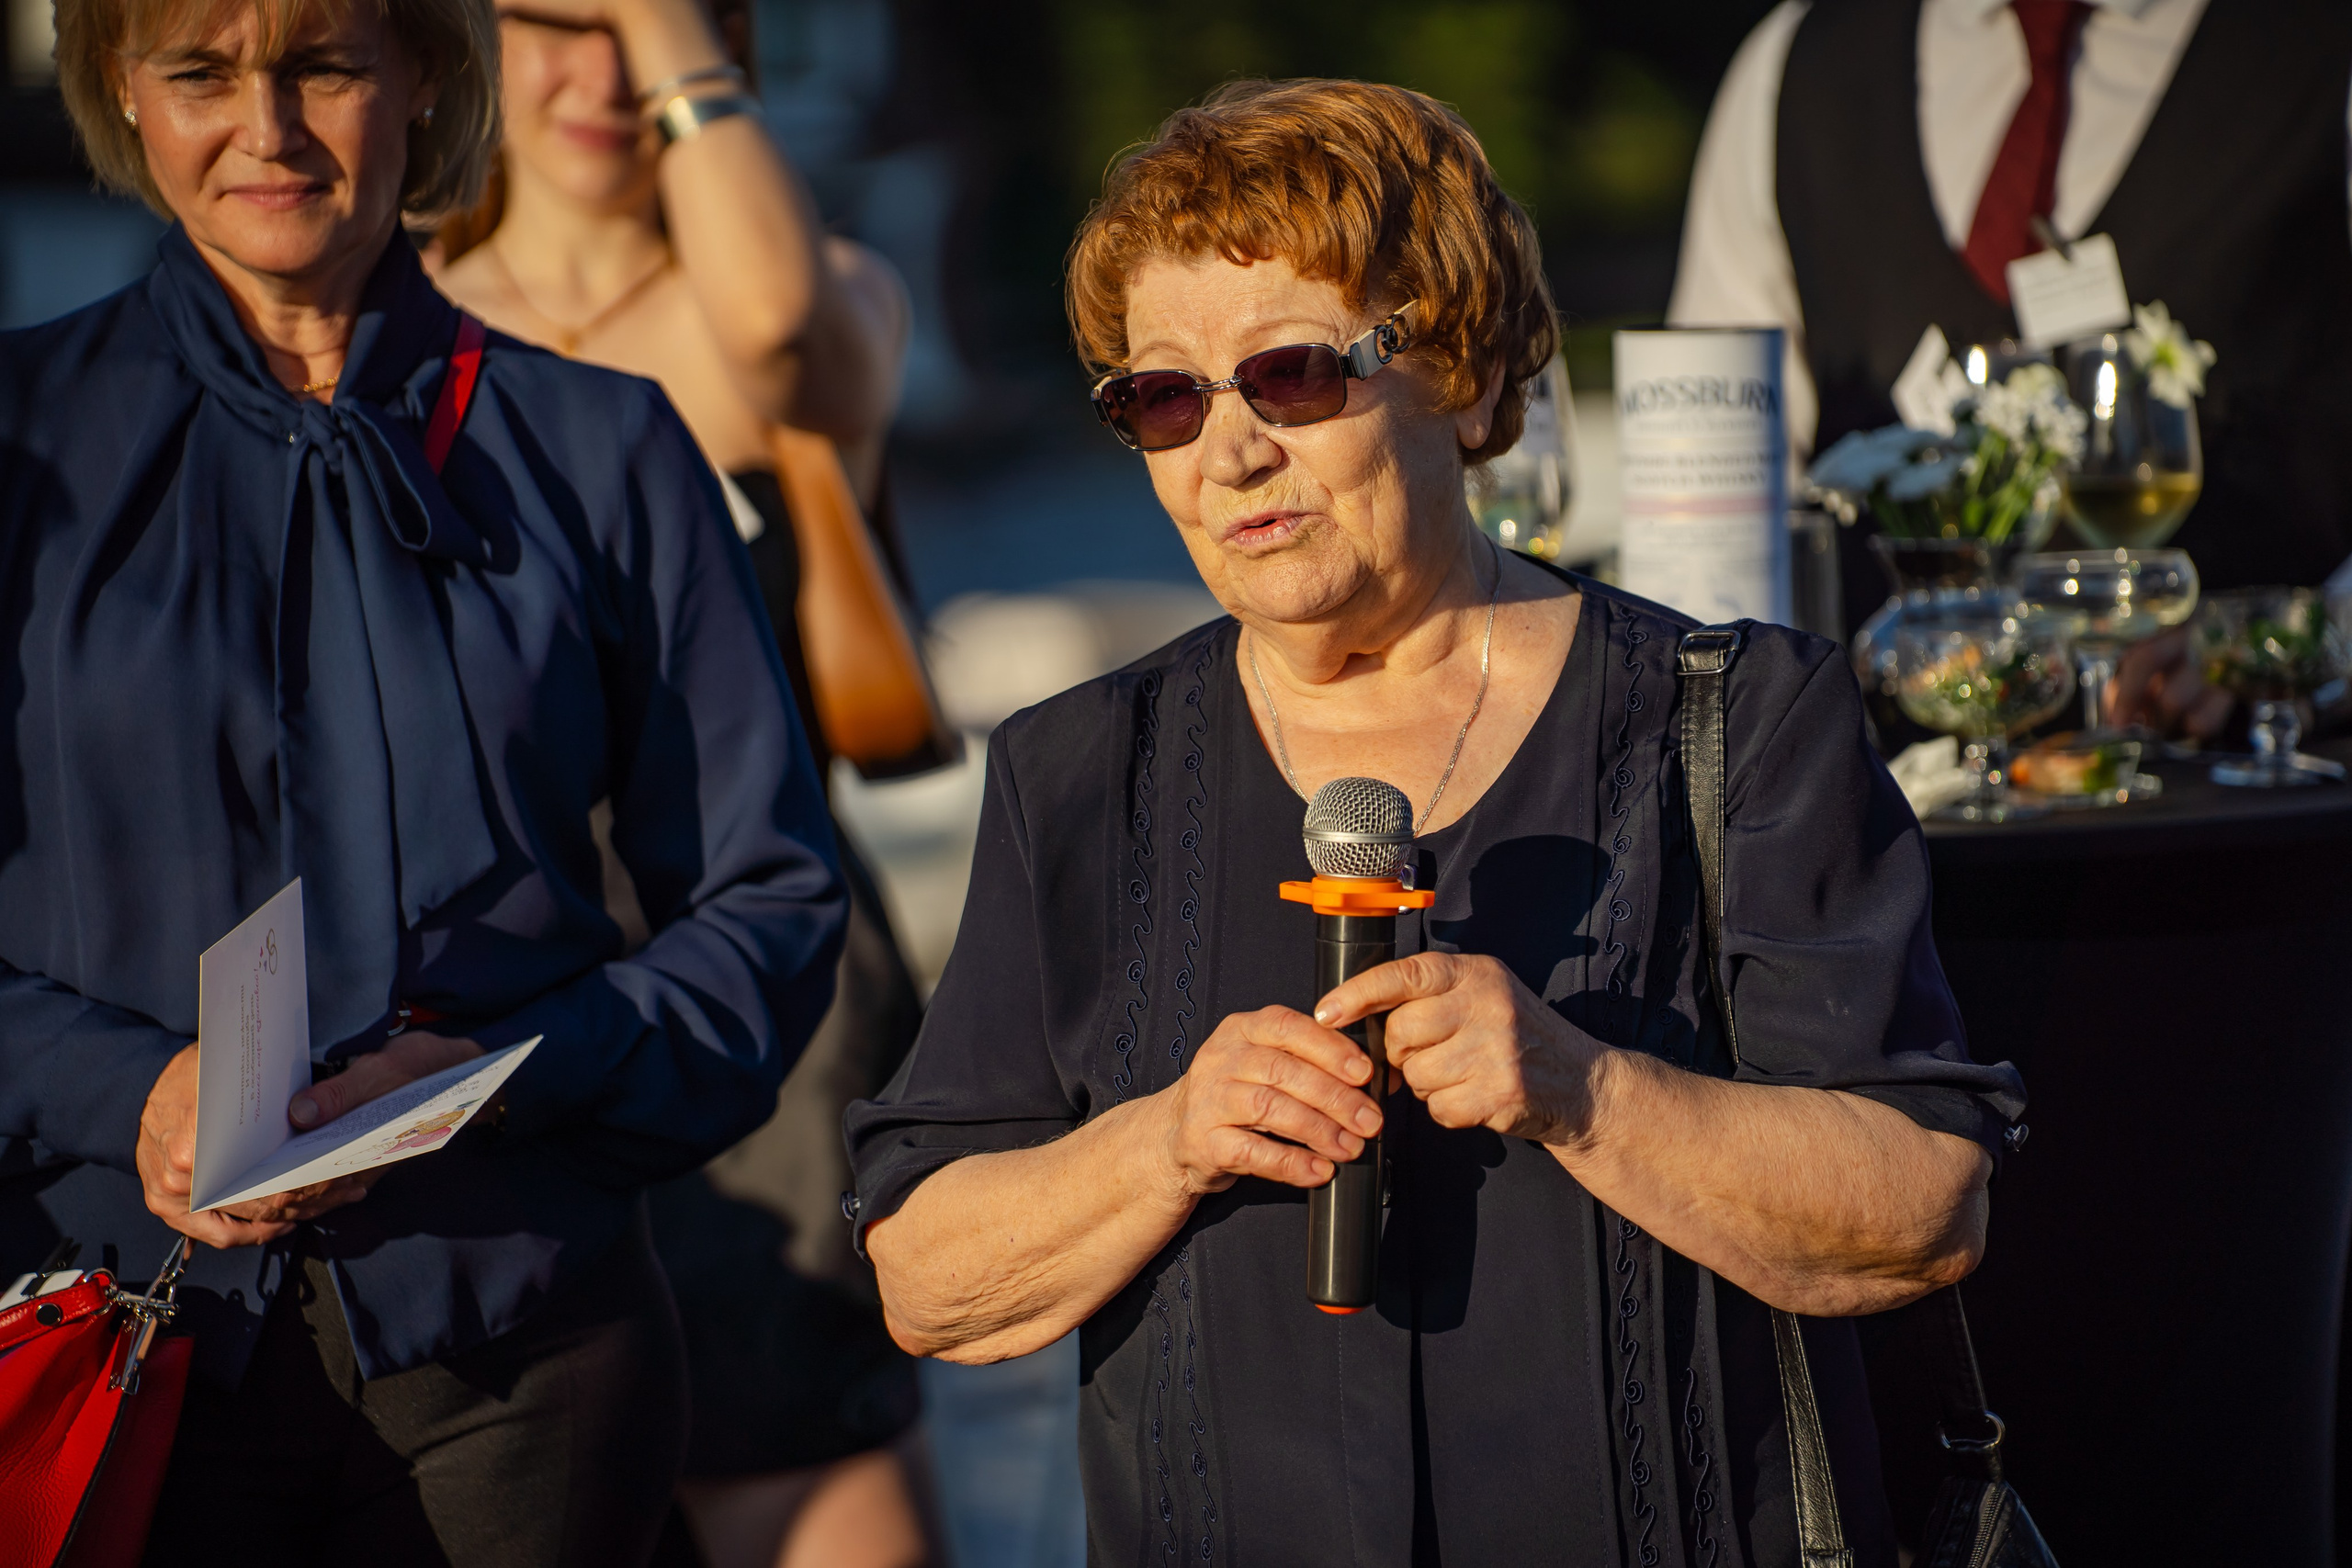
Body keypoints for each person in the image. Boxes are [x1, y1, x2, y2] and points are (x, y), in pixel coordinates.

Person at [845, 79, 2026, 1568]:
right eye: (1161, 397)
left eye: (1288, 375)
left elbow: (1922, 1203)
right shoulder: (1080, 768)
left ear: (1464, 377)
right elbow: (928, 1276)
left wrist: (1583, 1088)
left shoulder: (1734, 721)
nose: (1228, 453)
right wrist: (1170, 1140)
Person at [0, 0, 847, 1558]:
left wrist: (499, 1074)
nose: (267, 127)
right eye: (200, 73)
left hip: (525, 1367)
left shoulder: (605, 446)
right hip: (112, 1355)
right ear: (125, 90)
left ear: (428, 78)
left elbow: (770, 901)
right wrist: (126, 1091)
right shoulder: (22, 440)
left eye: (323, 66)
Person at [426, 4, 933, 1564]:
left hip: (753, 988)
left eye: (650, 20)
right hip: (462, 992)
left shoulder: (803, 296)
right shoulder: (385, 327)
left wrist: (661, 33)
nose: (604, 77)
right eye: (551, 21)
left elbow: (778, 328)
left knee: (798, 1459)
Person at [1670, 0, 2352, 643]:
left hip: (2255, 756)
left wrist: (2305, 644)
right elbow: (1701, 497)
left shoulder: (2320, 45)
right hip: (1875, 757)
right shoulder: (1796, 66)